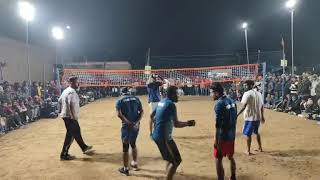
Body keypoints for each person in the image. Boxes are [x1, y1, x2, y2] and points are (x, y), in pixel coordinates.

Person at [150, 86, 196, 180]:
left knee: (177, 160)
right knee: (174, 162)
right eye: (176, 94)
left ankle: (168, 174)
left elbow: (151, 116)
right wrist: (188, 123)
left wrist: (154, 128)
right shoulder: (171, 104)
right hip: (163, 137)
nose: (178, 96)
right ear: (171, 94)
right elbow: (176, 124)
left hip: (165, 136)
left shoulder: (162, 102)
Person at [58, 76, 94, 161]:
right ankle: (64, 154)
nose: (78, 84)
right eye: (77, 82)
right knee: (70, 135)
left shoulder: (66, 90)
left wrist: (61, 111)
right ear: (71, 83)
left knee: (76, 131)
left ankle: (84, 147)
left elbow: (59, 101)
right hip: (70, 117)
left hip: (66, 116)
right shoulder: (72, 92)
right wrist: (74, 117)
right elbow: (71, 105)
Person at [211, 83, 237, 180]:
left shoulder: (219, 104)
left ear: (217, 93)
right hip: (232, 135)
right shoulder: (232, 100)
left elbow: (218, 126)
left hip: (223, 136)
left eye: (212, 93)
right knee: (231, 156)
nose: (211, 95)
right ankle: (233, 176)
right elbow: (234, 120)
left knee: (218, 159)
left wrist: (216, 140)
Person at [116, 87, 144, 176]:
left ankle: (125, 168)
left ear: (122, 93)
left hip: (127, 126)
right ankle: (135, 163)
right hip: (136, 125)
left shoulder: (120, 100)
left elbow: (119, 114)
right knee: (133, 143)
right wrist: (136, 122)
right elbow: (142, 111)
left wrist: (128, 122)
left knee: (125, 146)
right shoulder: (136, 98)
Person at [237, 80, 265, 155]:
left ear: (251, 85)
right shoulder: (259, 93)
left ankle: (248, 151)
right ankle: (260, 148)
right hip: (257, 117)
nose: (245, 86)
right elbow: (262, 106)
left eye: (246, 85)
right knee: (256, 132)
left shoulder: (247, 94)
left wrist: (237, 114)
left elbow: (244, 106)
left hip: (250, 117)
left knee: (247, 134)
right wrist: (262, 116)